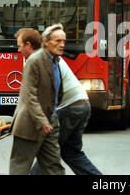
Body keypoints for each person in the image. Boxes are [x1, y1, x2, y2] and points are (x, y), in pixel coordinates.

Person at [28, 29, 102, 175]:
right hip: (82, 103)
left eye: (20, 45)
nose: (18, 49)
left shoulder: (41, 60)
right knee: (71, 152)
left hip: (70, 107)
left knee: (47, 152)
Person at [9, 24, 66, 175]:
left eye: (63, 41)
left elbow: (57, 91)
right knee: (20, 167)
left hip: (50, 122)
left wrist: (52, 116)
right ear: (46, 42)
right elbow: (29, 94)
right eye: (58, 41)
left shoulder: (55, 61)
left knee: (54, 167)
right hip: (30, 123)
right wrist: (42, 121)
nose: (62, 45)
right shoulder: (34, 61)